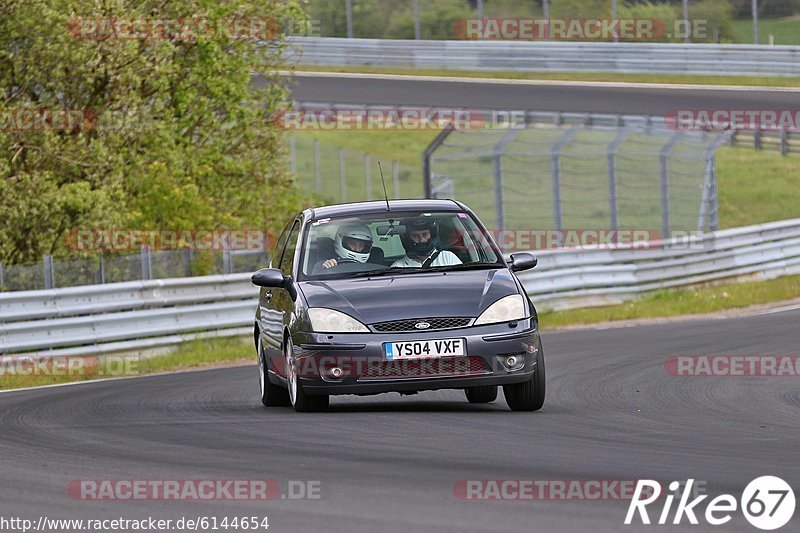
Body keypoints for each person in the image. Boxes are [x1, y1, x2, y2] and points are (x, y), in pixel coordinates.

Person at [391, 216, 462, 268]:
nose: (421, 240)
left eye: (425, 234)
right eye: (415, 236)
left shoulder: (448, 258)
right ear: (407, 239)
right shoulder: (398, 267)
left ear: (432, 235)